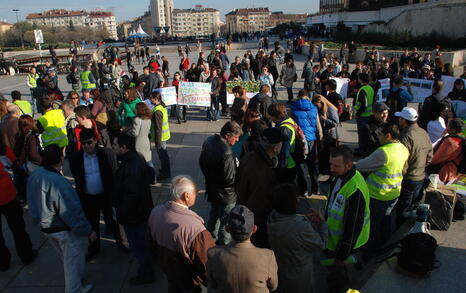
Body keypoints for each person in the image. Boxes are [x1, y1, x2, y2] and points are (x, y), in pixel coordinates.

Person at [27, 144, 95, 293]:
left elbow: (31, 201)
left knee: (66, 258)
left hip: (46, 227)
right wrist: (87, 230)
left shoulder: (35, 175)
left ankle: (78, 279)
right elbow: (71, 211)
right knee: (72, 261)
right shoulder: (60, 182)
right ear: (61, 158)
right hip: (62, 229)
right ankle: (74, 289)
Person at [148, 175, 215, 293]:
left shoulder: (155, 212)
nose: (196, 195)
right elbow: (208, 266)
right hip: (189, 282)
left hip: (169, 273)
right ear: (186, 196)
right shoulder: (196, 229)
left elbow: (150, 244)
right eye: (195, 193)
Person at [356, 123, 409, 256]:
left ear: (388, 136)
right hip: (394, 193)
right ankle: (384, 248)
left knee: (372, 228)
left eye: (380, 134)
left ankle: (368, 254)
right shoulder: (403, 148)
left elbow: (362, 165)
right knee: (387, 224)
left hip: (377, 196)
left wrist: (349, 164)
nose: (377, 137)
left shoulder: (383, 152)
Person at [324, 145, 370, 293]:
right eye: (330, 163)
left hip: (346, 249)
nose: (331, 168)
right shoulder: (339, 177)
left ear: (349, 165)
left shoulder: (355, 189)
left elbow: (353, 226)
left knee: (342, 282)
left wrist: (342, 255)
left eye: (336, 165)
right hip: (335, 243)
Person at [69, 129, 120, 260]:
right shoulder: (76, 158)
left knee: (113, 220)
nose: (86, 146)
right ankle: (94, 247)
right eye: (83, 143)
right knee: (92, 224)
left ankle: (120, 242)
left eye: (89, 143)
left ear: (95, 141)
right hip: (89, 198)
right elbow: (77, 176)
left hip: (106, 195)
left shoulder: (107, 154)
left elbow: (114, 173)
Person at [267, 183, 327, 293]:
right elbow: (320, 244)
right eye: (296, 199)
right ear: (291, 203)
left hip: (281, 273)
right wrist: (322, 223)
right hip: (300, 278)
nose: (298, 201)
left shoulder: (272, 218)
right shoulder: (300, 226)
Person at [112, 132, 155, 285]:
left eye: (115, 144)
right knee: (143, 243)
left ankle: (146, 273)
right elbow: (150, 174)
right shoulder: (136, 158)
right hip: (141, 211)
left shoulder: (130, 165)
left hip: (134, 216)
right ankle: (149, 266)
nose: (113, 147)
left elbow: (131, 195)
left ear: (124, 147)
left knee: (138, 246)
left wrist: (123, 215)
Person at [207, 205, 278, 293]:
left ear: (227, 229)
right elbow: (273, 286)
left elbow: (211, 285)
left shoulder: (213, 254)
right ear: (254, 229)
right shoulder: (268, 256)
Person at [236, 128, 285, 248]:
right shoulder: (264, 171)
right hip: (257, 220)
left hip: (244, 209)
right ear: (275, 147)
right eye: (281, 144)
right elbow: (259, 201)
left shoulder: (250, 157)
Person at [199, 121, 242, 245]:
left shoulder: (209, 141)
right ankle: (223, 247)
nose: (238, 140)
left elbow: (201, 162)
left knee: (214, 216)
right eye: (236, 137)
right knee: (226, 223)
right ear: (227, 135)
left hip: (212, 189)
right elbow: (229, 179)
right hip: (226, 195)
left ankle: (209, 241)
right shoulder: (227, 152)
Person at [0, 135, 37, 271]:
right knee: (18, 228)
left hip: (7, 194)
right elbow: (15, 165)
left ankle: (3, 262)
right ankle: (26, 256)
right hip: (7, 195)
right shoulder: (3, 150)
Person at [395, 107, 432, 227]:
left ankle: (399, 235)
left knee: (403, 211)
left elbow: (402, 162)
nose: (398, 120)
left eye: (400, 118)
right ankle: (410, 231)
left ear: (404, 120)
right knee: (413, 208)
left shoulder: (405, 136)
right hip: (420, 177)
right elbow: (430, 156)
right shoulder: (423, 132)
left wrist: (400, 177)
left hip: (408, 179)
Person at [291, 89, 322, 194]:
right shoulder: (314, 108)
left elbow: (292, 124)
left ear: (299, 96)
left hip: (299, 139)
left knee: (300, 164)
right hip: (311, 139)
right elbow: (318, 126)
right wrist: (320, 137)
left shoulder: (294, 106)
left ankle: (303, 188)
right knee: (312, 165)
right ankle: (316, 188)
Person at [429, 119, 465, 183]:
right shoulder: (461, 140)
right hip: (453, 173)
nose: (446, 128)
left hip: (444, 174)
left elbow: (435, 159)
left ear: (453, 130)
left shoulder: (450, 142)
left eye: (448, 126)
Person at [312, 95, 340, 175]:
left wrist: (323, 120)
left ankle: (331, 175)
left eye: (317, 105)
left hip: (331, 137)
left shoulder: (331, 109)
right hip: (324, 136)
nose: (316, 107)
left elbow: (335, 123)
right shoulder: (320, 110)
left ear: (321, 102)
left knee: (330, 157)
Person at [150, 91, 171, 180]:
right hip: (164, 136)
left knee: (163, 156)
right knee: (164, 155)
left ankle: (165, 173)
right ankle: (165, 170)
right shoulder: (162, 107)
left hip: (160, 137)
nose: (150, 99)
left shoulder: (157, 111)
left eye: (151, 98)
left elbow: (158, 128)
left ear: (156, 99)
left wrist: (157, 142)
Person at [354, 73, 375, 156]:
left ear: (361, 80)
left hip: (362, 116)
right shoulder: (370, 88)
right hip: (369, 115)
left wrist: (358, 114)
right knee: (366, 135)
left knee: (362, 135)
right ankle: (364, 149)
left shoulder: (363, 89)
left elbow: (364, 105)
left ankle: (362, 151)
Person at [128, 102, 153, 167]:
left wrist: (128, 130)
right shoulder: (148, 119)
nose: (135, 110)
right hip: (146, 142)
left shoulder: (137, 120)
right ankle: (152, 175)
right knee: (148, 160)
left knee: (140, 162)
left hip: (139, 143)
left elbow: (135, 133)